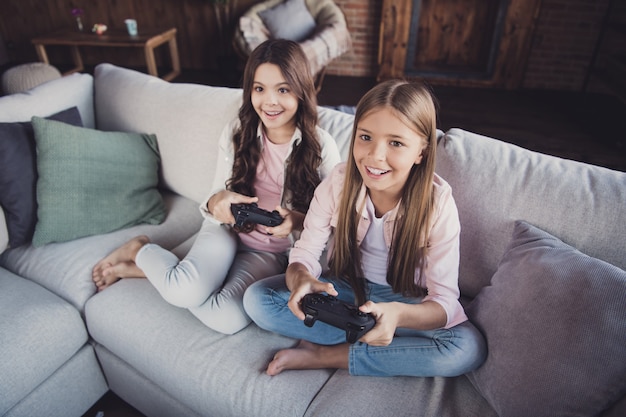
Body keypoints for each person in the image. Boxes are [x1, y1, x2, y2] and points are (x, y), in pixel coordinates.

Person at [91, 39, 341, 335]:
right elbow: (212, 199)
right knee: (183, 291)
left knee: (225, 319)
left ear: (301, 90)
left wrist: (297, 220)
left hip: (272, 253)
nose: (269, 102)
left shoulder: (321, 146)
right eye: (259, 89)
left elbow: (333, 222)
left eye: (283, 89)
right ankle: (141, 249)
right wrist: (217, 203)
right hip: (227, 232)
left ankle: (152, 270)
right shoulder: (238, 132)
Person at [243, 80, 486, 377]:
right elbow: (304, 254)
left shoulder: (438, 204)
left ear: (421, 152)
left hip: (404, 299)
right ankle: (385, 342)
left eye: (395, 143)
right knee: (258, 300)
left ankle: (327, 355)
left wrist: (397, 315)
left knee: (466, 347)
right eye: (366, 137)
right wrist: (301, 279)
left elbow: (444, 301)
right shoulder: (337, 183)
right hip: (346, 290)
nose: (375, 156)